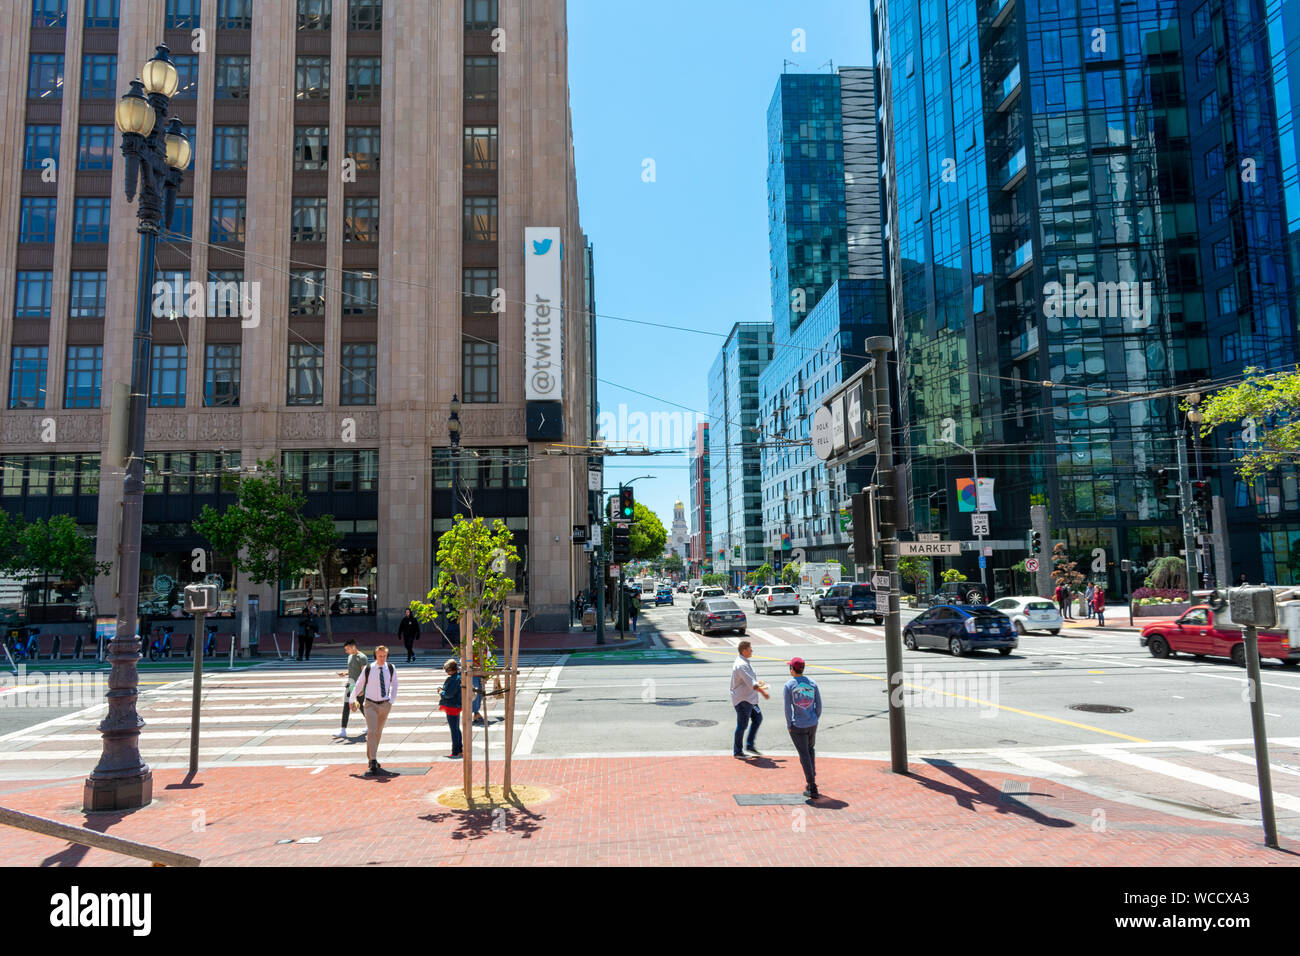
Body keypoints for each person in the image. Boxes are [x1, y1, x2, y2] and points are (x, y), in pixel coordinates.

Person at [351, 644, 397, 776]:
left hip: (384, 705)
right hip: (370, 704)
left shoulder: (391, 668)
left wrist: (391, 702)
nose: (382, 658)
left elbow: (395, 685)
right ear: (375, 656)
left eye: (384, 656)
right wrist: (351, 699)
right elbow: (359, 684)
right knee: (372, 731)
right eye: (379, 656)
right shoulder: (368, 668)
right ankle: (373, 760)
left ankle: (371, 757)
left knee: (377, 733)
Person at [783, 657, 822, 799]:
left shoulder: (789, 685)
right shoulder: (812, 683)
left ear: (792, 669)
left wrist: (789, 724)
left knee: (804, 754)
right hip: (812, 723)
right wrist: (815, 718)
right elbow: (819, 704)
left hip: (797, 725)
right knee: (810, 750)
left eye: (790, 668)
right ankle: (812, 775)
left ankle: (812, 786)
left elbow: (787, 708)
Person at [730, 640, 769, 759]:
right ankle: (737, 751)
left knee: (758, 718)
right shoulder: (741, 665)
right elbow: (751, 683)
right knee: (742, 725)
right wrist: (764, 692)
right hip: (743, 701)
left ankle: (749, 745)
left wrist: (760, 684)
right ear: (744, 650)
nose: (752, 651)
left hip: (750, 699)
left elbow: (751, 681)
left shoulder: (745, 662)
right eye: (750, 649)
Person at [335, 638, 368, 739]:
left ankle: (371, 725)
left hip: (359, 686)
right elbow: (351, 670)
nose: (346, 651)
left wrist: (362, 688)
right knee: (346, 706)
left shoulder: (362, 657)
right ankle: (343, 730)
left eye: (347, 649)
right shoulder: (350, 657)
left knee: (362, 706)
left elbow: (365, 674)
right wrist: (344, 673)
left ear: (353, 646)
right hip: (350, 684)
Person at [438, 658, 464, 758]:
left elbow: (449, 694)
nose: (446, 672)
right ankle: (459, 748)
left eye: (447, 670)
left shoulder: (455, 679)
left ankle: (455, 750)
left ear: (451, 669)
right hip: (455, 705)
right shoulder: (458, 677)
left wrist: (441, 692)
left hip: (452, 705)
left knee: (454, 729)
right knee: (456, 728)